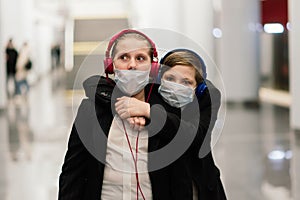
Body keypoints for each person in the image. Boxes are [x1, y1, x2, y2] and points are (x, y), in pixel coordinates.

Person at [58, 29, 184, 199]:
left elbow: (189, 144)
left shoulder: (167, 108)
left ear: (153, 67)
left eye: (140, 58)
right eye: (124, 57)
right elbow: (72, 173)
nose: (132, 65)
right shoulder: (91, 109)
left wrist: (148, 111)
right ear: (111, 65)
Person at [115, 49, 227, 199]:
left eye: (186, 82)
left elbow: (196, 135)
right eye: (170, 78)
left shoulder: (208, 96)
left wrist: (149, 111)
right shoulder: (150, 90)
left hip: (200, 182)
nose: (176, 86)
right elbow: (98, 85)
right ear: (160, 77)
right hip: (163, 183)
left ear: (198, 87)